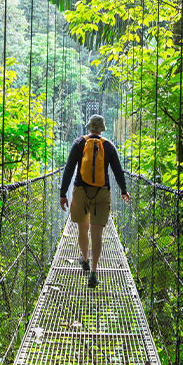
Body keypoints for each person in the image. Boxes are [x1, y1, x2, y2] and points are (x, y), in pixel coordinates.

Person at [59, 115, 129, 287]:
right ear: (102, 129)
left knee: (82, 229)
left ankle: (84, 259)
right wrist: (123, 190)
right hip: (102, 192)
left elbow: (69, 169)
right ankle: (94, 272)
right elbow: (118, 171)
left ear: (89, 127)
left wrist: (63, 193)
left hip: (81, 191)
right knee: (97, 234)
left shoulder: (78, 143)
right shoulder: (109, 146)